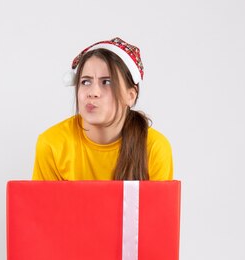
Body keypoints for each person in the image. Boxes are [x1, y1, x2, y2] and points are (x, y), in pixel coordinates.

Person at [32, 37, 173, 181]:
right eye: (85, 81)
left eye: (107, 82)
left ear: (130, 95)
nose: (93, 92)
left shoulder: (154, 148)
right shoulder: (52, 144)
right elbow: (43, 203)